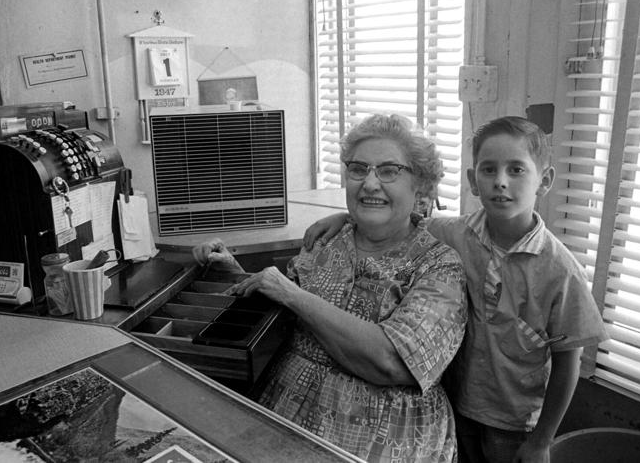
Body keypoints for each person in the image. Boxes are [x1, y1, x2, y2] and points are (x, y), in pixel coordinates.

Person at [304, 116, 609, 463]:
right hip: (459, 404)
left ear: (545, 181)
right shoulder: (453, 233)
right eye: (489, 170)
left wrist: (541, 442)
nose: (501, 182)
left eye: (517, 170)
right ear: (472, 181)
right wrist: (345, 218)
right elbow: (396, 218)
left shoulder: (561, 271)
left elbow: (568, 364)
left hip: (514, 422)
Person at [193, 114, 468, 462]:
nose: (369, 183)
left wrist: (293, 295)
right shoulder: (326, 239)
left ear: (421, 186)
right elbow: (281, 318)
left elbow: (392, 362)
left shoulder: (439, 266)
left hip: (384, 441)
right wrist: (232, 272)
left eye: (388, 171)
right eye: (358, 169)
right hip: (283, 417)